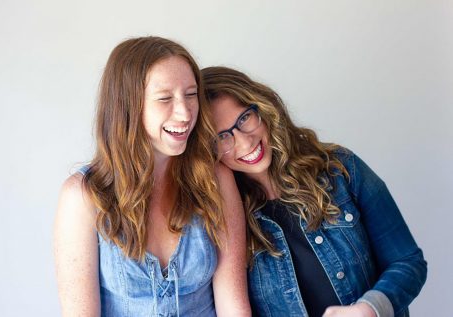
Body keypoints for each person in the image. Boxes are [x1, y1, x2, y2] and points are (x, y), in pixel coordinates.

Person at [201, 66, 427, 317]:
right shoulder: (224, 219)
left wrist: (370, 309)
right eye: (222, 137)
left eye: (244, 119)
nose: (244, 142)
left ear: (262, 109)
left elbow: (408, 262)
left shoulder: (341, 169)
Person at [54, 37, 251, 317]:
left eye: (191, 94)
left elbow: (234, 307)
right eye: (165, 98)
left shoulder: (215, 180)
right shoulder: (83, 196)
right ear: (128, 107)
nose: (184, 113)